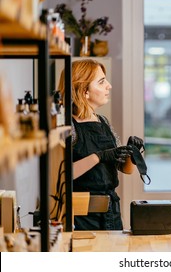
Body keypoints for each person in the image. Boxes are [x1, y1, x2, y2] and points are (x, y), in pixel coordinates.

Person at [58, 59, 143, 230]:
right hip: (81, 217)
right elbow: (62, 175)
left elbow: (125, 169)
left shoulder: (103, 121)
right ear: (84, 91)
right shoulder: (66, 125)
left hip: (111, 212)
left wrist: (131, 153)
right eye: (102, 81)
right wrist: (99, 156)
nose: (109, 86)